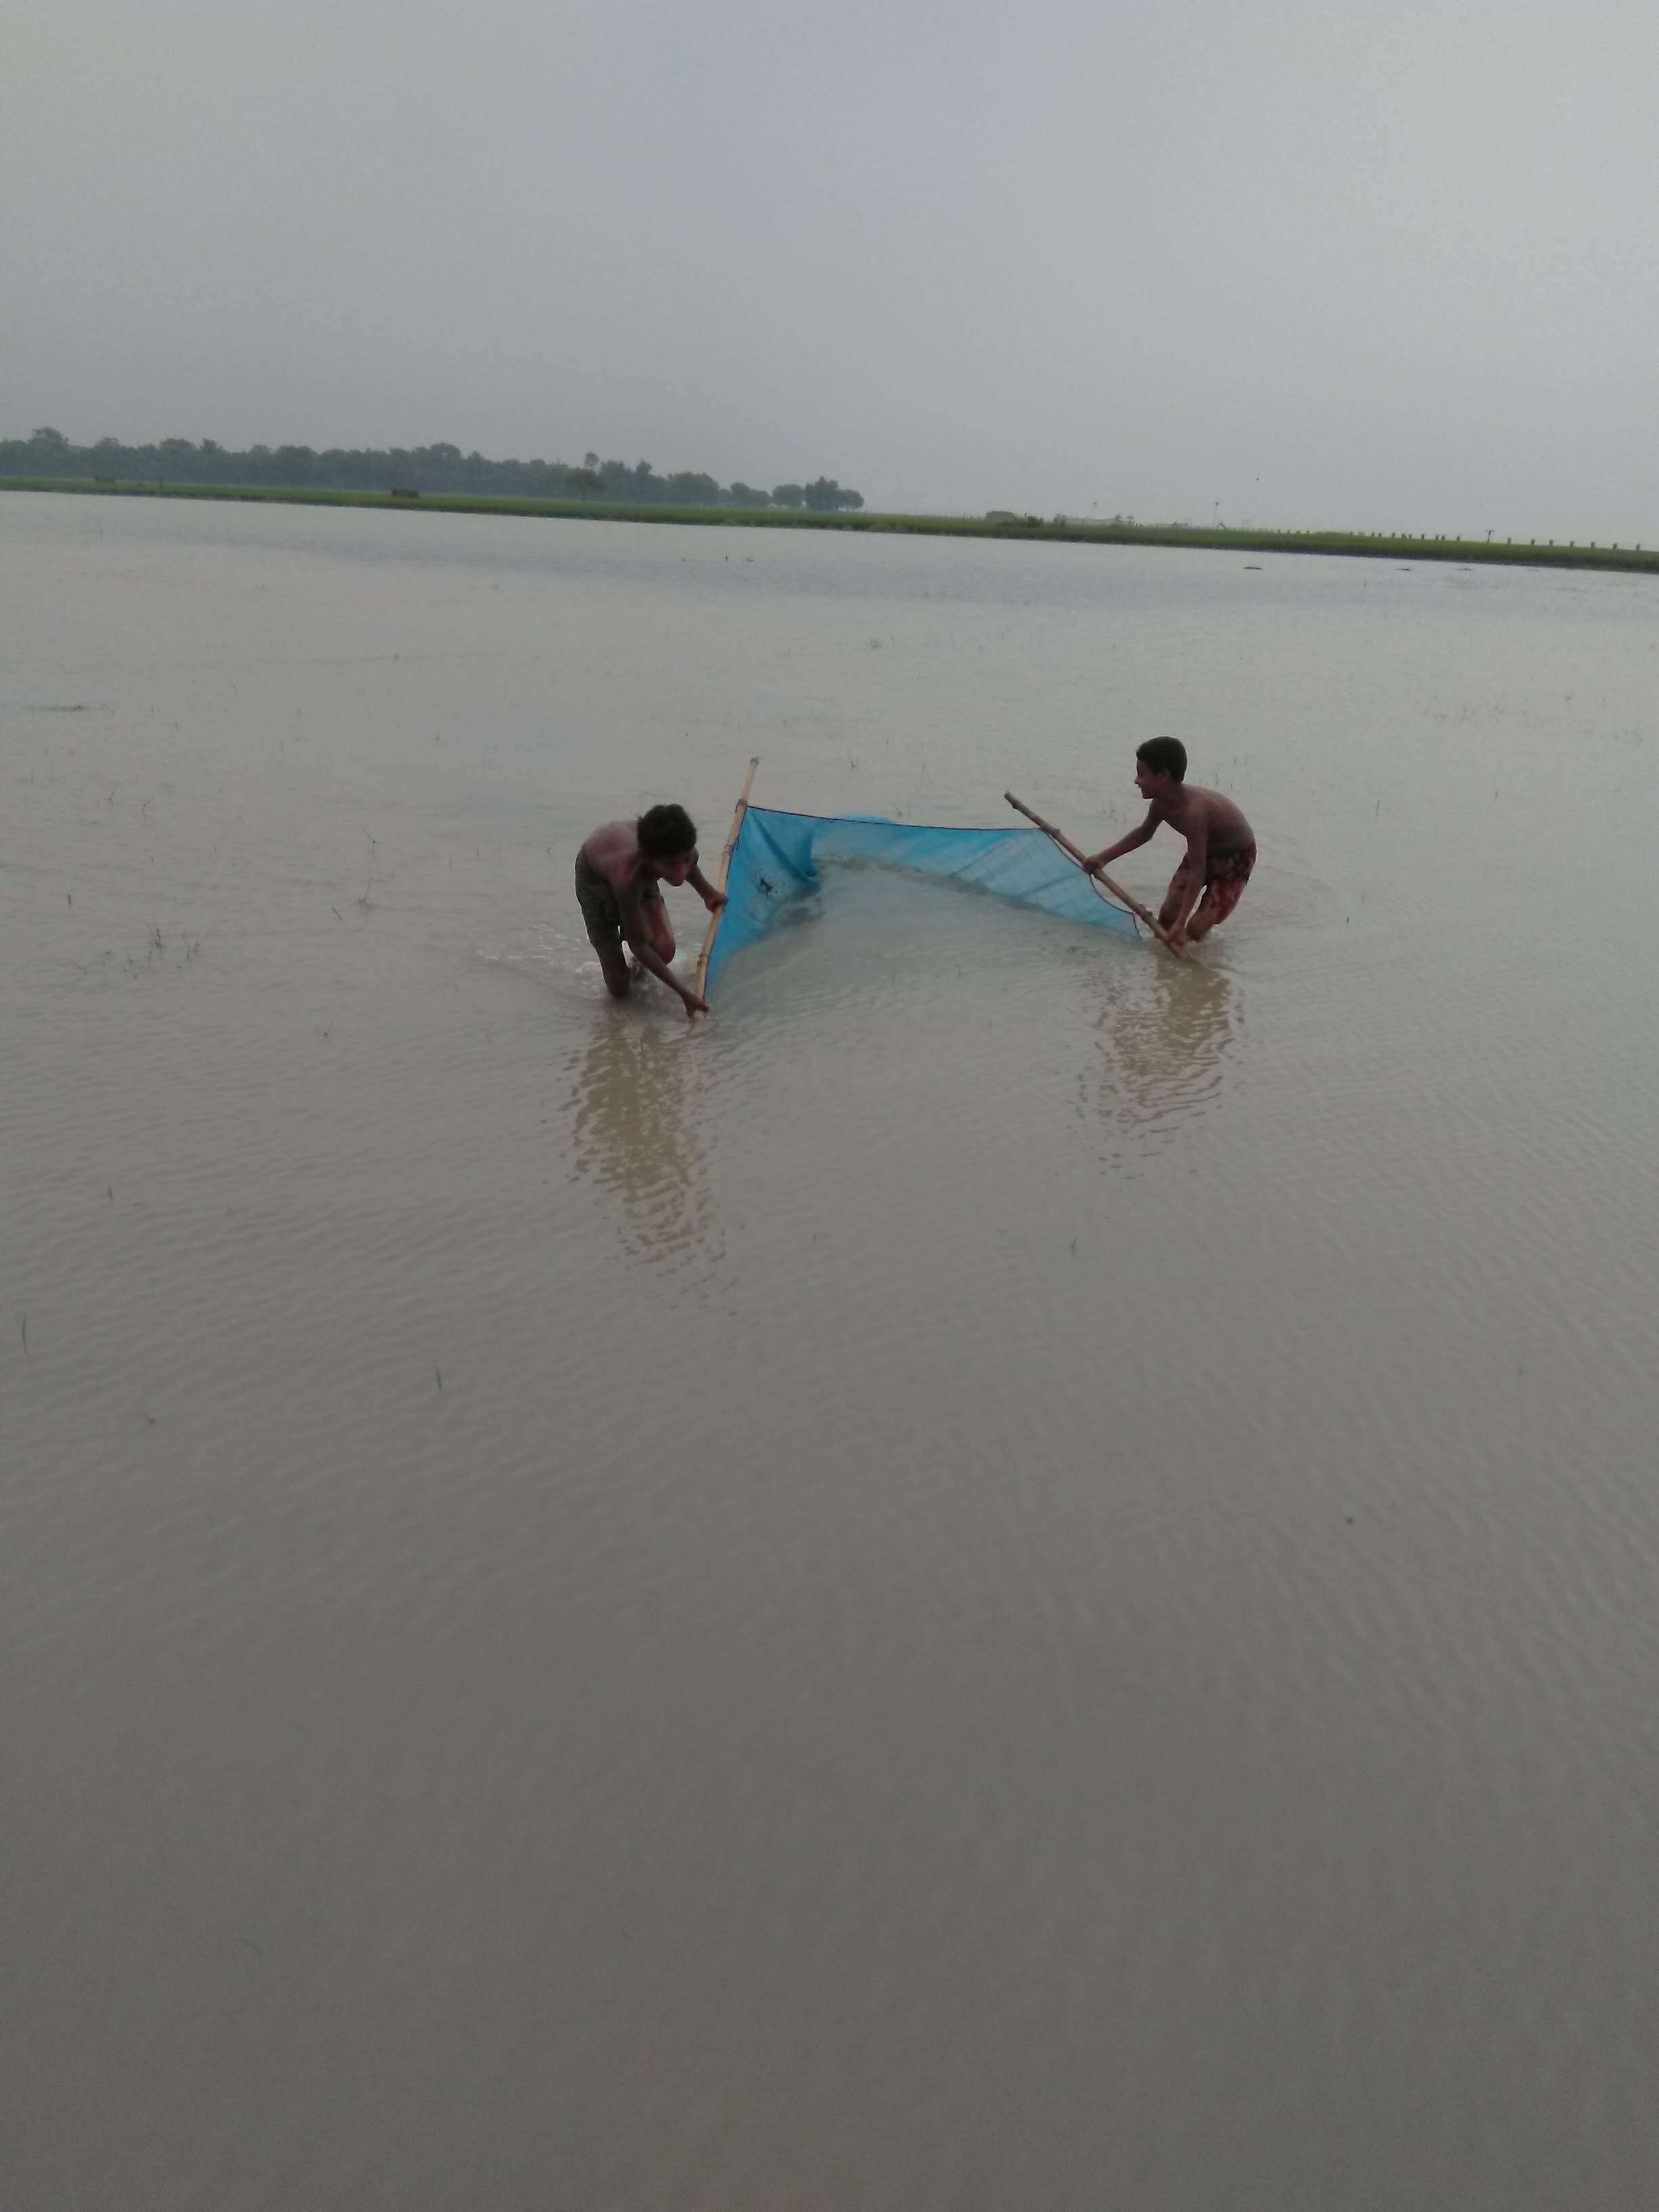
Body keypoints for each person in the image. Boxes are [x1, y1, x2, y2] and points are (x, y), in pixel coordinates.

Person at [1083, 737, 1256, 946]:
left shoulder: (1194, 813)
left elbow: (1198, 869)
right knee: (1167, 917)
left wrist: (1182, 923)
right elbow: (1144, 834)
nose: (1136, 781)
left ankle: (1193, 944)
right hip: (1205, 853)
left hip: (1237, 858)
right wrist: (1103, 858)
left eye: (1142, 775)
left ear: (1163, 776)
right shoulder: (1160, 805)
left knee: (1195, 928)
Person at [575, 803, 726, 1017]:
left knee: (664, 950)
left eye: (686, 860)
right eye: (672, 865)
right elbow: (638, 945)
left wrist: (708, 894)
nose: (681, 872)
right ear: (649, 860)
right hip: (594, 879)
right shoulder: (628, 878)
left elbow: (689, 865)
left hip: (637, 858)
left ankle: (640, 973)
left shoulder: (681, 850)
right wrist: (684, 993)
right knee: (619, 985)